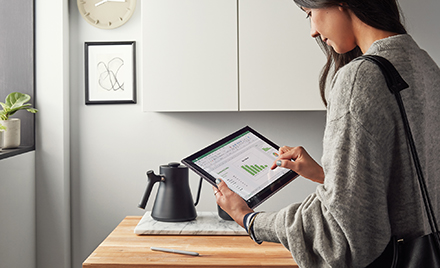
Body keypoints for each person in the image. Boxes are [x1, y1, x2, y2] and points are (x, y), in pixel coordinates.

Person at [213, 0, 440, 267]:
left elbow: (338, 232)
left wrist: (249, 219)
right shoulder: (425, 65)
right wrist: (325, 176)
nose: (312, 31)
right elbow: (403, 188)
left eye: (309, 13)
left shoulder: (359, 77)